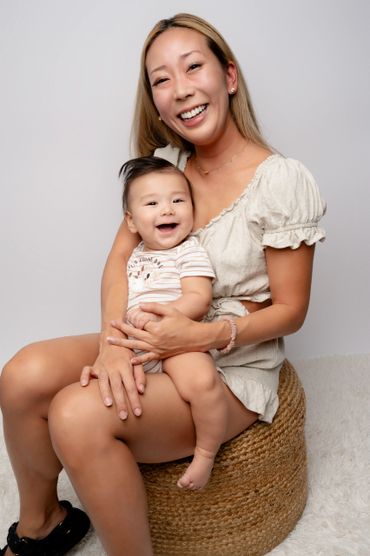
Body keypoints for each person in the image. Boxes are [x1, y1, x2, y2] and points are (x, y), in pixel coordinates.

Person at [0, 12, 326, 556]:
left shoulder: (281, 180)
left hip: (229, 360)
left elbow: (291, 310)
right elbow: (117, 260)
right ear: (154, 101)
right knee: (21, 374)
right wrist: (111, 345)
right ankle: (45, 523)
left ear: (228, 76)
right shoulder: (166, 166)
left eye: (192, 66)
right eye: (161, 78)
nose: (180, 89)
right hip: (150, 336)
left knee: (75, 414)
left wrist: (195, 337)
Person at [119, 154, 226, 491]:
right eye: (152, 203)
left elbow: (198, 298)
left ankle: (206, 452)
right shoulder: (135, 254)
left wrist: (162, 314)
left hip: (179, 342)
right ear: (132, 221)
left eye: (178, 200)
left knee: (203, 382)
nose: (167, 210)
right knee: (112, 388)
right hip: (138, 343)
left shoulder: (188, 251)